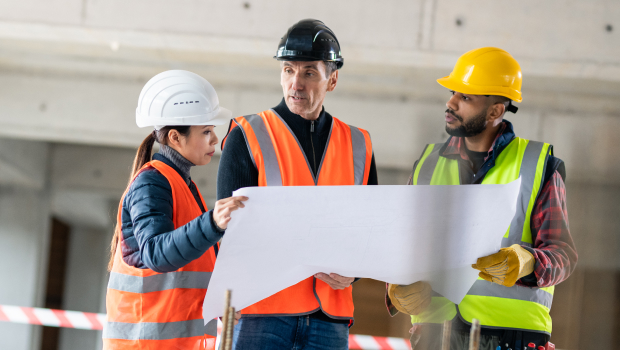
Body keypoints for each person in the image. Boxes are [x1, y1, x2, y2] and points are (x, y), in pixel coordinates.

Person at [386, 47, 578, 350]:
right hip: (436, 334)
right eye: (453, 92)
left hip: (512, 337)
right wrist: (395, 288)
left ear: (495, 111)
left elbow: (563, 256)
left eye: (465, 97)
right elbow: (401, 246)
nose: (450, 103)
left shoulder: (537, 165)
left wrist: (528, 262)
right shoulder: (427, 165)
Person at [217, 19, 378, 350]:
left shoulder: (359, 144)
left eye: (309, 72)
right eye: (288, 70)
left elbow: (371, 231)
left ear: (331, 79)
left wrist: (355, 272)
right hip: (262, 312)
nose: (296, 83)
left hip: (329, 319)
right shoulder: (246, 135)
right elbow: (231, 231)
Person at [103, 70, 247, 350]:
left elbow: (188, 269)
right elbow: (156, 253)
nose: (214, 139)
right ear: (175, 137)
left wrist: (217, 300)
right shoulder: (151, 183)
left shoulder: (180, 185)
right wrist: (213, 224)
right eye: (206, 131)